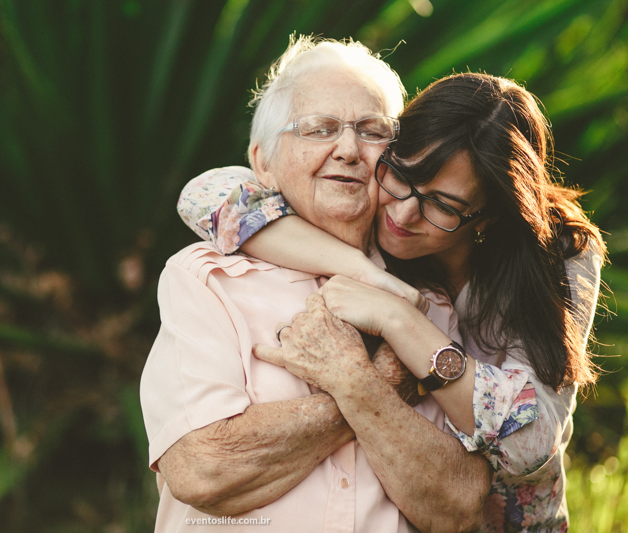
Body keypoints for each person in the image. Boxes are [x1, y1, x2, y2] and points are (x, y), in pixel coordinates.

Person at [177, 72, 604, 532]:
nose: (402, 214)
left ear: (489, 216)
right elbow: (205, 195)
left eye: (443, 206)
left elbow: (530, 441)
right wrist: (363, 272)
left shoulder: (559, 255)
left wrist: (400, 319)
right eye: (401, 176)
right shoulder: (364, 229)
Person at [141, 37, 492, 532]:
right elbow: (204, 470)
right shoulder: (206, 279)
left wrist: (352, 382)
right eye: (318, 129)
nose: (347, 150)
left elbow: (459, 506)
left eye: (372, 131)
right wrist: (377, 387)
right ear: (263, 163)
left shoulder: (425, 302)